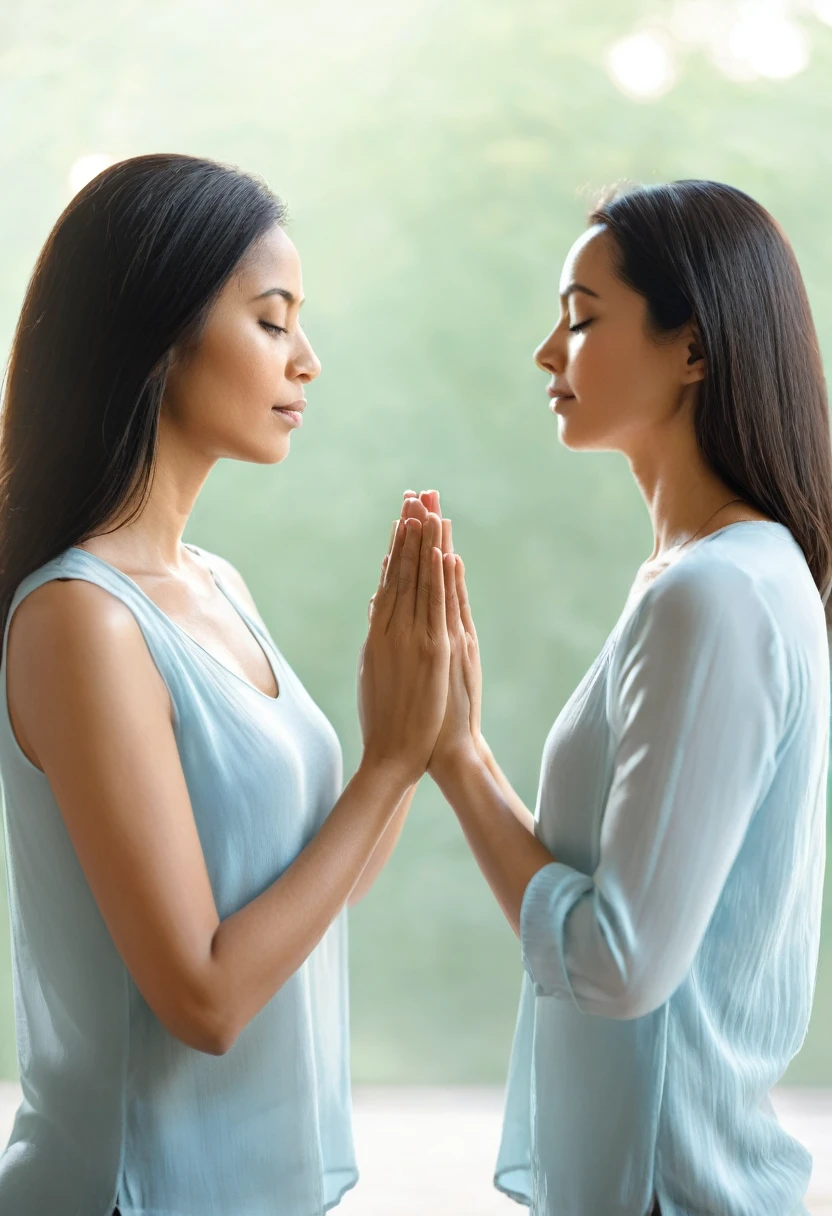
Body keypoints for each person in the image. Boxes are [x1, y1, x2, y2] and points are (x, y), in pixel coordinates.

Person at [0, 152, 457, 1216]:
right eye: (270, 317)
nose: (306, 359)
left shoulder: (217, 584)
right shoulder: (82, 619)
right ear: (159, 339)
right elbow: (202, 997)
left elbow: (318, 893)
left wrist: (421, 730)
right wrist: (388, 762)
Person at [415, 180, 832, 1216]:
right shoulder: (709, 576)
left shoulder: (716, 593)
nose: (547, 354)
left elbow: (619, 963)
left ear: (692, 348)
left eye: (581, 318)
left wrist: (455, 756)